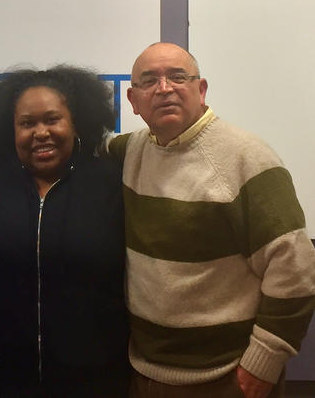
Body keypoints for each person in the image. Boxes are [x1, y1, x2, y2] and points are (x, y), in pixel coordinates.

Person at [109, 42, 315, 398]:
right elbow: (70, 148)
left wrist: (264, 360)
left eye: (177, 77)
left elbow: (295, 271)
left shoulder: (247, 157)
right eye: (149, 80)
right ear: (133, 99)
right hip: (144, 371)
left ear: (201, 90)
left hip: (228, 377)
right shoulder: (128, 151)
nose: (164, 88)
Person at [0, 66, 129, 397]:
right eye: (27, 123)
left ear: (76, 123)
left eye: (53, 119)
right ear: (8, 130)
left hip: (96, 380)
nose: (41, 132)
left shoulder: (113, 182)